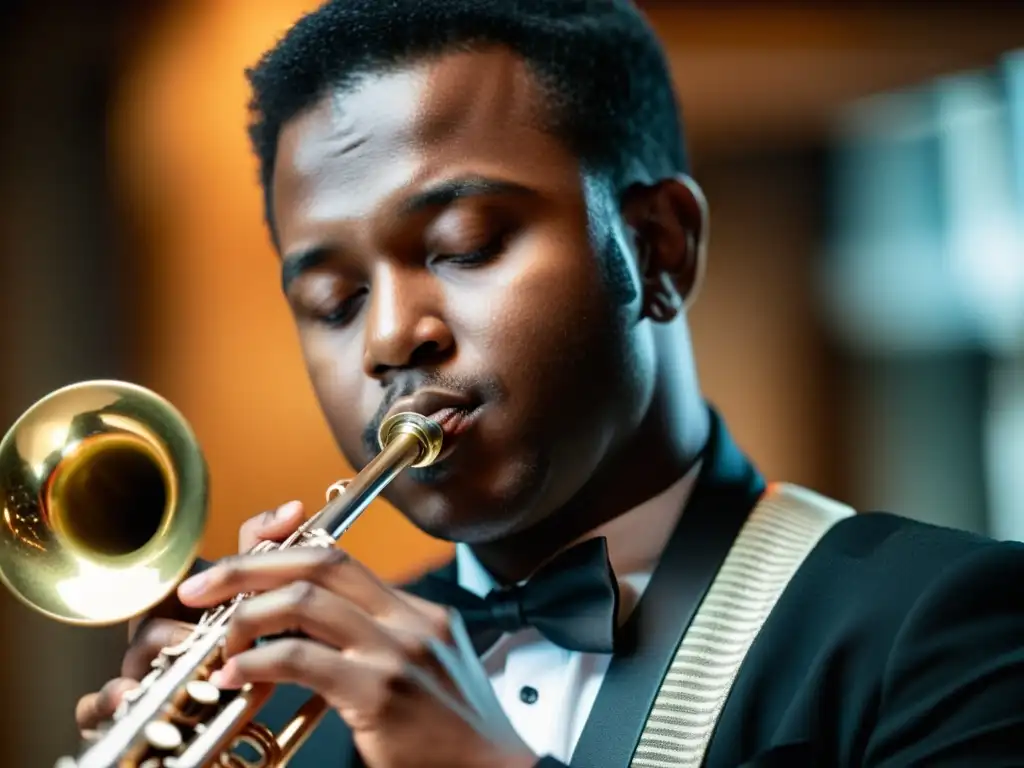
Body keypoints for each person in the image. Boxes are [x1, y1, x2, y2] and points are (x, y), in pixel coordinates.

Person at [74, 1, 1024, 766]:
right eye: (333, 300)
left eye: (465, 247)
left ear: (657, 249)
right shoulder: (297, 713)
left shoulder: (950, 630)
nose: (390, 338)